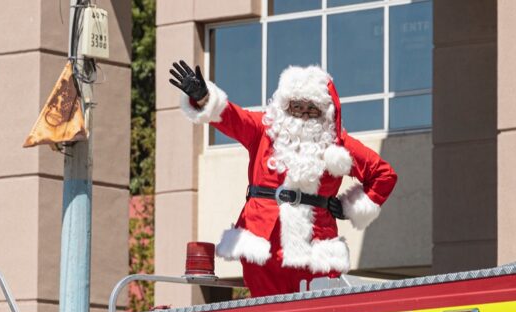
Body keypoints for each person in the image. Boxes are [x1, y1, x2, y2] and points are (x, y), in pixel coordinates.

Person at [169, 60, 397, 297]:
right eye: (297, 108)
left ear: (325, 112)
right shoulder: (263, 130)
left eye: (312, 109)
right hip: (262, 244)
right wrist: (204, 97)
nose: (303, 116)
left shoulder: (338, 144)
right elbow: (231, 117)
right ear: (285, 106)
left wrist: (349, 207)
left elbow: (383, 174)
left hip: (315, 248)